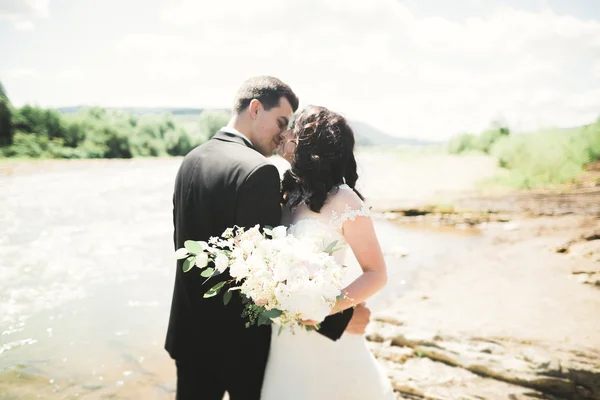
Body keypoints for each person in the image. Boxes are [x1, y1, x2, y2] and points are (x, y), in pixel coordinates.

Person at [165, 77, 371, 400]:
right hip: (239, 346)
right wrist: (340, 318)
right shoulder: (258, 172)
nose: (282, 135)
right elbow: (271, 272)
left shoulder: (190, 160)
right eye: (281, 122)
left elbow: (184, 244)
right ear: (256, 109)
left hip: (189, 335)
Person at [261, 105, 395, 399]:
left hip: (323, 331)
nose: (286, 133)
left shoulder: (344, 200)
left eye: (294, 128)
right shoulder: (287, 194)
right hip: (284, 333)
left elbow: (377, 274)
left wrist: (327, 308)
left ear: (311, 142)